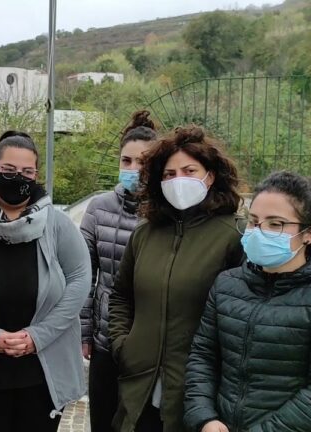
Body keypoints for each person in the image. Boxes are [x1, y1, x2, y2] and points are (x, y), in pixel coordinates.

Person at [108, 125, 244, 432]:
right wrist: (122, 345)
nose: (178, 180)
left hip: (196, 397)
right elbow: (121, 295)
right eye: (169, 174)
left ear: (210, 176)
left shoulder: (234, 236)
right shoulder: (144, 233)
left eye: (189, 170)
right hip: (137, 388)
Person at [0, 131, 92, 431]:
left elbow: (80, 279)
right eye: (9, 171)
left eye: (27, 172)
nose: (19, 177)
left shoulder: (57, 225)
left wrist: (38, 336)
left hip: (41, 373)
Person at [184, 171, 311, 432]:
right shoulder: (227, 284)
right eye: (254, 222)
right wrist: (204, 417)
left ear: (307, 234)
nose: (259, 231)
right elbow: (203, 355)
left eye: (275, 224)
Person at [79, 110, 157, 432]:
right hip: (104, 341)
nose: (133, 170)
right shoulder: (98, 209)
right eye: (127, 161)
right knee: (102, 421)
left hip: (150, 347)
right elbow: (84, 276)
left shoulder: (165, 215)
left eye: (143, 163)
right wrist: (84, 331)